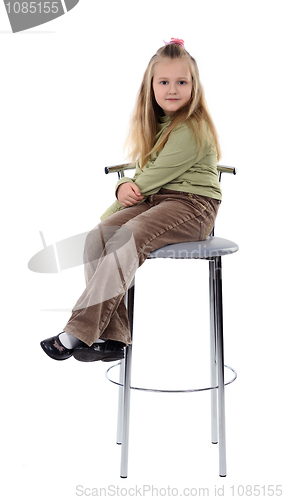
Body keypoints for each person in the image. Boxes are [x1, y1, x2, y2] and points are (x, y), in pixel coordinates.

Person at [40, 38, 222, 362]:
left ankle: (77, 331)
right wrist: (121, 188)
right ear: (150, 86)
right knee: (98, 238)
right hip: (156, 200)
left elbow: (148, 179)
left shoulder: (193, 128)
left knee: (126, 237)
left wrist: (122, 195)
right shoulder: (156, 123)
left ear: (194, 86)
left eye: (182, 82)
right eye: (164, 81)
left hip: (192, 206)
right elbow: (144, 174)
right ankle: (112, 339)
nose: (172, 89)